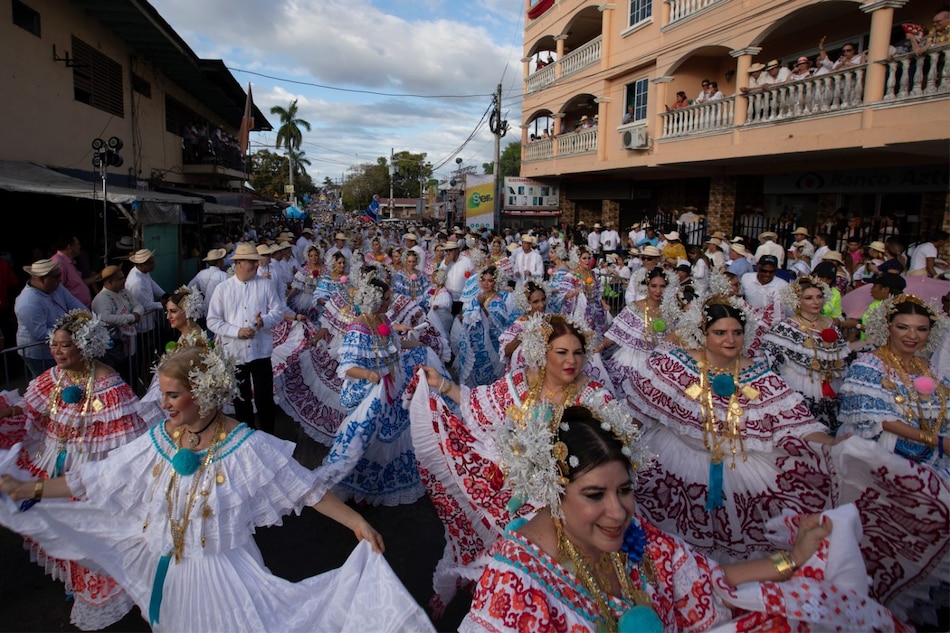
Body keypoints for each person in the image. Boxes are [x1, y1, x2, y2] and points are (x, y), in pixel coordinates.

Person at [0, 344, 434, 633]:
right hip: (166, 567)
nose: (163, 404)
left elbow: (307, 490)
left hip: (218, 576)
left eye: (172, 396)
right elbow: (96, 477)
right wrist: (28, 489)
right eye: (163, 395)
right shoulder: (161, 438)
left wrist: (357, 522)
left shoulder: (247, 447)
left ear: (203, 394)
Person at [461, 404, 909, 633]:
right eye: (594, 495)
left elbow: (707, 580)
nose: (617, 511)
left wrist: (791, 559)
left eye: (624, 490)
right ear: (553, 494)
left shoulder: (632, 537)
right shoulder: (512, 583)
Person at [408, 314, 619, 616]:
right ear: (542, 353)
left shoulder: (595, 397)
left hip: (567, 501)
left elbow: (613, 456)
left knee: (556, 576)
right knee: (503, 554)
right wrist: (440, 383)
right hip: (514, 487)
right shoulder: (522, 381)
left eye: (577, 352)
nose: (571, 361)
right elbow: (478, 403)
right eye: (561, 352)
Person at [629, 295, 844, 563]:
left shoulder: (761, 376)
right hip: (675, 460)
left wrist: (834, 445)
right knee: (671, 546)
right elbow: (638, 412)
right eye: (720, 333)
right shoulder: (674, 365)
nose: (730, 340)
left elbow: (796, 424)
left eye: (737, 333)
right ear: (702, 333)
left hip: (739, 470)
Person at [0, 309, 146, 629]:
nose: (56, 351)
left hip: (87, 469)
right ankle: (72, 579)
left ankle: (97, 587)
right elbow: (30, 408)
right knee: (56, 524)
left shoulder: (109, 384)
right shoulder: (54, 376)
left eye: (64, 345)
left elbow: (127, 440)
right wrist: (8, 412)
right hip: (51, 459)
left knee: (86, 528)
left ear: (85, 346)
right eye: (54, 345)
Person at [319, 273, 426, 507]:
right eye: (386, 298)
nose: (389, 302)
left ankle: (381, 482)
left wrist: (415, 344)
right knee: (364, 435)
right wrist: (368, 375)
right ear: (375, 301)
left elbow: (395, 345)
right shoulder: (358, 327)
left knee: (393, 434)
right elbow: (347, 367)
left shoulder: (383, 319)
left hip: (392, 385)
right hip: (372, 390)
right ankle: (355, 485)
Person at [838, 294, 949, 466]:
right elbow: (881, 420)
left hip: (934, 454)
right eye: (903, 327)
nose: (912, 336)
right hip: (882, 458)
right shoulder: (868, 365)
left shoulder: (929, 369)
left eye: (921, 329)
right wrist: (937, 442)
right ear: (888, 327)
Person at [206, 243, 284, 435]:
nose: (256, 265)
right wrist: (237, 331)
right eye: (251, 262)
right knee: (241, 400)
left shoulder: (265, 285)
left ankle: (268, 436)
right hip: (235, 353)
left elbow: (278, 312)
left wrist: (263, 321)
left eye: (256, 261)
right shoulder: (223, 289)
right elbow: (212, 321)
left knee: (265, 398)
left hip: (260, 351)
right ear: (239, 263)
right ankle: (247, 436)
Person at [761, 277, 850, 433]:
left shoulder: (830, 324)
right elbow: (771, 361)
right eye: (809, 298)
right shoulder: (786, 327)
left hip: (831, 383)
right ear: (797, 301)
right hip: (800, 384)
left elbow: (840, 355)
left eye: (819, 297)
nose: (816, 302)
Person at [595, 267, 678, 409]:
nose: (658, 290)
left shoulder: (670, 313)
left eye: (662, 286)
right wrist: (600, 346)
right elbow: (616, 333)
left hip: (655, 368)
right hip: (630, 362)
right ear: (647, 286)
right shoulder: (634, 308)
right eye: (654, 286)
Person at [15, 259, 86, 379]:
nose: (60, 280)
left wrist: (87, 319)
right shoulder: (27, 301)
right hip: (40, 354)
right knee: (48, 383)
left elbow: (75, 304)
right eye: (56, 277)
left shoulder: (57, 287)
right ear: (42, 279)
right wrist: (72, 331)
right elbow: (41, 333)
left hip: (60, 346)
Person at [451, 262, 513, 388]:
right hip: (475, 345)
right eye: (483, 280)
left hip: (490, 346)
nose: (486, 284)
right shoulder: (478, 296)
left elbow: (498, 327)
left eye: (490, 281)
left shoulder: (498, 302)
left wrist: (482, 308)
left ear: (496, 282)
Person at [90, 264, 143, 386]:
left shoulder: (124, 292)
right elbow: (105, 317)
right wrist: (130, 318)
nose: (124, 280)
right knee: (120, 376)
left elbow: (138, 305)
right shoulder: (101, 299)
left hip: (129, 342)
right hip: (114, 348)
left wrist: (136, 313)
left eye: (123, 277)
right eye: (120, 279)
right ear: (110, 282)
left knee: (132, 371)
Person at [50, 234, 95, 308]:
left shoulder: (68, 261)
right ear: (69, 246)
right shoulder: (58, 263)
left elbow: (76, 284)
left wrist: (98, 277)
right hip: (72, 310)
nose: (80, 247)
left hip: (81, 309)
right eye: (78, 244)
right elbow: (57, 291)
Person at [187, 247, 228, 321]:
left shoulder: (201, 274)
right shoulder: (224, 276)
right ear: (219, 261)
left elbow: (189, 287)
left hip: (205, 308)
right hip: (220, 309)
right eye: (222, 259)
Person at [285, 244, 323, 317]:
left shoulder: (324, 269)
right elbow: (296, 287)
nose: (314, 258)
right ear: (308, 257)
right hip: (305, 299)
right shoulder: (304, 270)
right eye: (311, 256)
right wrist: (287, 298)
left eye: (316, 255)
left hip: (320, 299)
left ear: (319, 256)